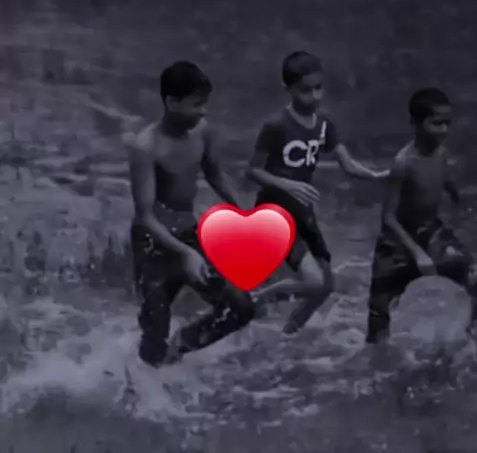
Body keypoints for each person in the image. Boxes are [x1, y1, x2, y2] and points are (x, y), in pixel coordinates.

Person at [248, 50, 389, 334]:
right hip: (274, 213)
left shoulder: (324, 126)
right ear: (288, 89)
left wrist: (377, 176)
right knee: (313, 281)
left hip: (302, 213)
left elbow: (348, 165)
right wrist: (287, 184)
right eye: (305, 90)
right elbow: (253, 171)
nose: (314, 96)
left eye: (318, 88)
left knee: (325, 286)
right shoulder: (276, 126)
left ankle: (288, 334)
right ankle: (253, 301)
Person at [126, 60, 254, 367]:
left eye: (204, 103)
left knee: (240, 307)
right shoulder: (145, 147)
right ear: (172, 103)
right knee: (154, 338)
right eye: (196, 105)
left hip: (189, 234)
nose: (203, 112)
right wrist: (186, 253)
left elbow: (214, 173)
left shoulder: (201, 132)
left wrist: (244, 212)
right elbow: (145, 216)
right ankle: (137, 380)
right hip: (153, 246)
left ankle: (182, 344)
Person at [366, 87, 477, 345]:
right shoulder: (403, 162)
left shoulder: (441, 152)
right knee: (379, 317)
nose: (444, 130)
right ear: (415, 123)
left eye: (447, 123)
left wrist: (460, 200)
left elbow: (445, 180)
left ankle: (469, 337)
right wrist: (418, 253)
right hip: (396, 242)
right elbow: (388, 217)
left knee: (475, 275)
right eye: (436, 123)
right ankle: (377, 359)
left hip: (430, 230)